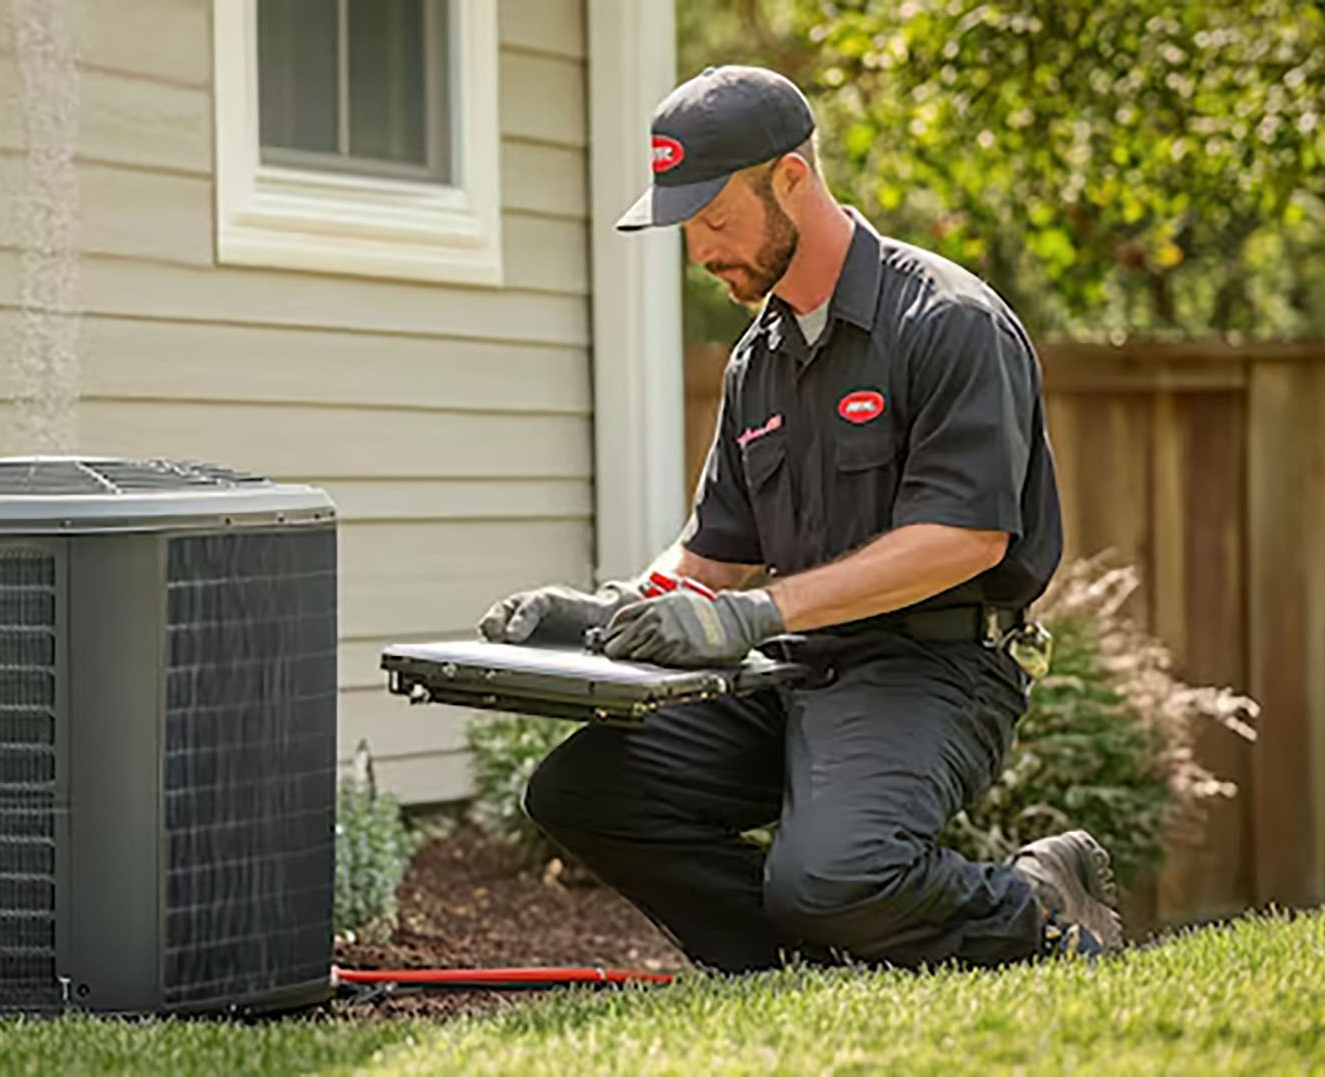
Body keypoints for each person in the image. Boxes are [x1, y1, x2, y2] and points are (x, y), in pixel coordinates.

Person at [477, 65, 1121, 971]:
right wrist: (607, 613)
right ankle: (801, 962)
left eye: (714, 218)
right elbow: (716, 557)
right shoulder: (761, 361)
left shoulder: (948, 321)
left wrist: (754, 616)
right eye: (687, 228)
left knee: (829, 873)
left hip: (933, 665)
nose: (700, 251)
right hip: (797, 664)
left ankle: (1037, 908)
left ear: (791, 178)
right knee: (580, 791)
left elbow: (967, 536)